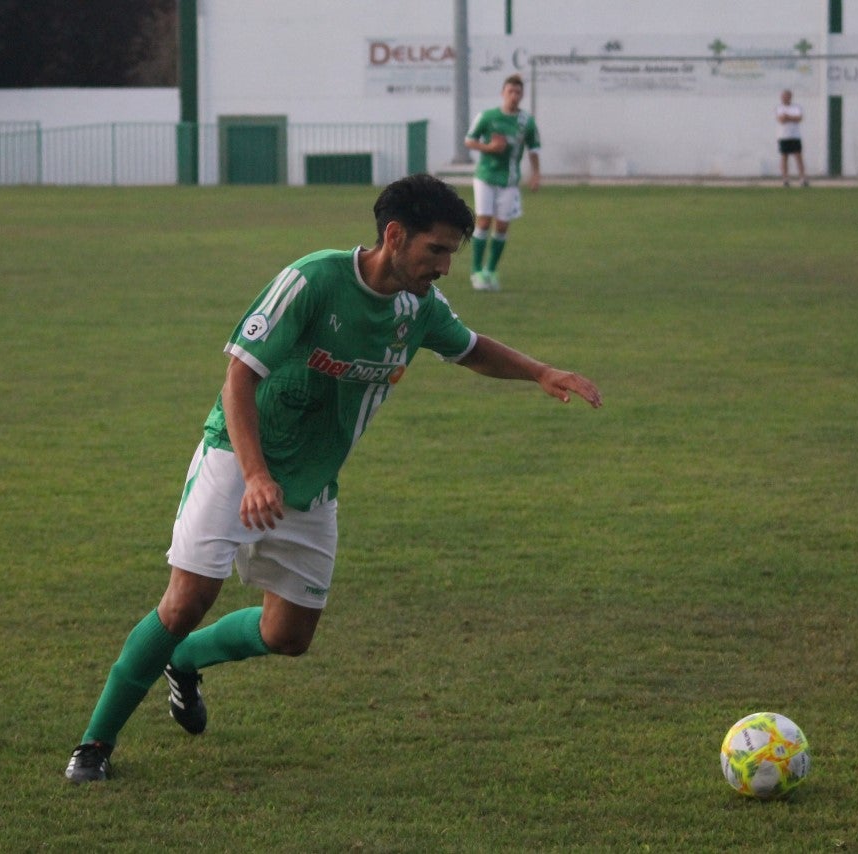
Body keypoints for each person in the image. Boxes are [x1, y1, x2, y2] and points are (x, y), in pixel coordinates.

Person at [64, 173, 602, 783]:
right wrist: (256, 475)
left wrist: (540, 373)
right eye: (438, 249)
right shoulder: (313, 281)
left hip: (314, 481)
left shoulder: (417, 308)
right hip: (237, 459)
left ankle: (183, 660)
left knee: (288, 635)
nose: (447, 266)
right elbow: (239, 378)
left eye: (453, 252)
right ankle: (94, 746)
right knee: (187, 599)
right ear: (395, 236)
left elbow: (470, 347)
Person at [463, 74, 541, 292]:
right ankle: (476, 271)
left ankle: (490, 271)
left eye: (518, 92)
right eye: (510, 92)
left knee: (503, 226)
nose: (514, 96)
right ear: (503, 93)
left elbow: (534, 149)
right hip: (486, 177)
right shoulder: (487, 117)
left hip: (509, 180)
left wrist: (535, 174)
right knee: (484, 222)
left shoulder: (526, 121)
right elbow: (469, 140)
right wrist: (489, 148)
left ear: (522, 95)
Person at [776, 90, 808, 187]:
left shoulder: (796, 108)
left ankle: (802, 178)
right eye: (783, 96)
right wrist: (791, 118)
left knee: (798, 157)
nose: (784, 98)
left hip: (795, 136)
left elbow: (799, 119)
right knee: (784, 157)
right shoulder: (779, 108)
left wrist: (788, 117)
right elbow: (781, 120)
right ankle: (785, 179)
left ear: (790, 97)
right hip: (784, 136)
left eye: (786, 96)